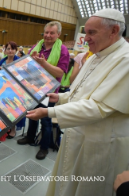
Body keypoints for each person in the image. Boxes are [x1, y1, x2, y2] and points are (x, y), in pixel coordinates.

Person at [26, 9, 129, 196]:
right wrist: (61, 97)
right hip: (77, 133)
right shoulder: (95, 55)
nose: (85, 38)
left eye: (92, 33)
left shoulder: (125, 60)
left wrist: (49, 112)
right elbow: (81, 93)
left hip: (101, 142)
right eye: (86, 32)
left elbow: (100, 106)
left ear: (114, 31)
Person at [17, 21, 69, 160]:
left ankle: (44, 147)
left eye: (52, 33)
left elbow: (59, 73)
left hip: (49, 92)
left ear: (58, 34)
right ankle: (30, 137)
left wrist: (43, 63)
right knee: (32, 116)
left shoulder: (63, 50)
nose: (48, 35)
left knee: (46, 121)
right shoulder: (36, 47)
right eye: (46, 32)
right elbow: (26, 65)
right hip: (33, 88)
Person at [0, 41, 26, 139]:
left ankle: (13, 129)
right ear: (5, 50)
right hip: (3, 87)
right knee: (4, 109)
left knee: (13, 109)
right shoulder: (2, 61)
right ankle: (5, 128)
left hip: (15, 89)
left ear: (16, 50)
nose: (10, 51)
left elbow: (22, 76)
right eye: (8, 48)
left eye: (12, 48)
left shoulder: (19, 61)